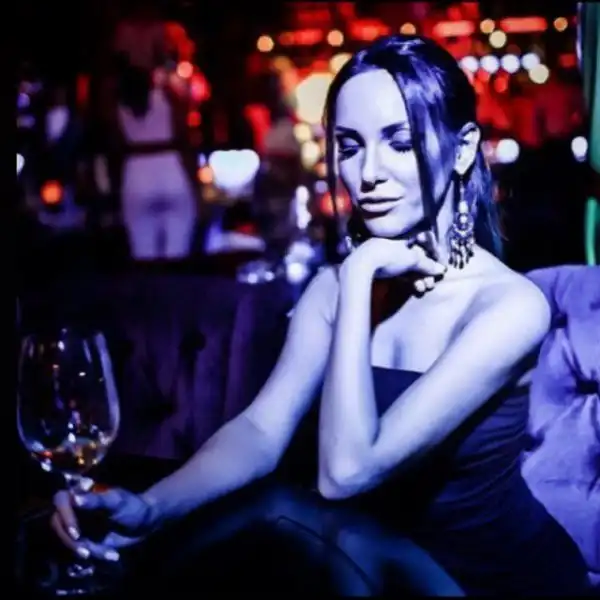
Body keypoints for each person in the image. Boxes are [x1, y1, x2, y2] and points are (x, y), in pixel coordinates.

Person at [51, 35, 591, 595]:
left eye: (400, 142)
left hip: (496, 581)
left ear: (462, 149)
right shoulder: (333, 288)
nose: (368, 173)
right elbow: (261, 430)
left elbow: (347, 472)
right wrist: (151, 508)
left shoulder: (508, 306)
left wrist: (357, 276)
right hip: (368, 570)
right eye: (350, 146)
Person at [112, 64, 198, 259]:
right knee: (177, 255)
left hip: (136, 176)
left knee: (143, 255)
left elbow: (114, 145)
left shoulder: (119, 107)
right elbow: (184, 136)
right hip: (171, 173)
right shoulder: (167, 98)